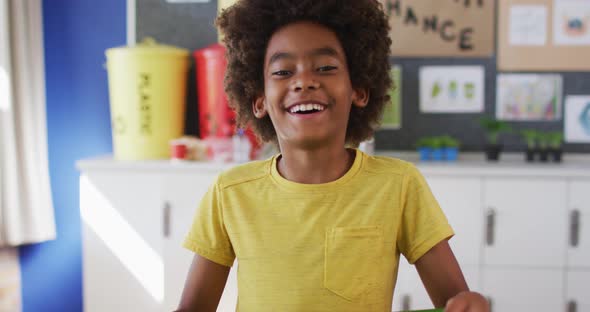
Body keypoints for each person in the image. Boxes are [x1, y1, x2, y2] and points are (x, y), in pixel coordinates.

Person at [177, 0, 489, 311]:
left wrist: (469, 302)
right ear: (258, 99)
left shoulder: (399, 185)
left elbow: (454, 300)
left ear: (359, 90)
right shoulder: (230, 193)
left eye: (326, 68)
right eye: (283, 71)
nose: (303, 81)